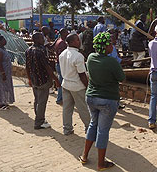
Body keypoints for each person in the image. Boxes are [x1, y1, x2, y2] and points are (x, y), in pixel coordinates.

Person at [80, 32, 125, 171]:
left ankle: (84, 156)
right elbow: (121, 77)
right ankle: (101, 163)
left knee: (93, 125)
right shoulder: (111, 61)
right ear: (105, 47)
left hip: (91, 98)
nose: (112, 46)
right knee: (103, 131)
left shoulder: (91, 58)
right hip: (107, 99)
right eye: (110, 44)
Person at [26, 33, 60, 129]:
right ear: (36, 39)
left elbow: (27, 67)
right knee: (42, 102)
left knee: (37, 100)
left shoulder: (28, 50)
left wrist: (29, 78)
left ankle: (39, 118)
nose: (43, 40)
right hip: (42, 80)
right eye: (41, 38)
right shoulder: (41, 51)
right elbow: (47, 67)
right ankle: (39, 122)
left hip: (34, 80)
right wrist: (56, 80)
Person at [58, 33, 90, 135]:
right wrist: (87, 86)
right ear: (71, 42)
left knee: (67, 109)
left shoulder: (62, 54)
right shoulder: (78, 56)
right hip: (77, 86)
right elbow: (82, 75)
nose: (79, 41)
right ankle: (89, 128)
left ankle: (67, 129)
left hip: (66, 84)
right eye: (77, 40)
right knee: (83, 109)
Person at [0, 36, 15, 110]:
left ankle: (4, 101)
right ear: (0, 41)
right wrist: (3, 73)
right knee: (0, 87)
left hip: (6, 71)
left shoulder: (3, 49)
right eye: (3, 40)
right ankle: (0, 103)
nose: (5, 41)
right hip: (0, 72)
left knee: (5, 86)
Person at [52, 28, 69, 105]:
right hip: (61, 64)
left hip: (58, 63)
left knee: (61, 81)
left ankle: (61, 98)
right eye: (66, 32)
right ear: (64, 33)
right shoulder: (62, 43)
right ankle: (60, 99)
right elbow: (62, 55)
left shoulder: (58, 40)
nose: (68, 33)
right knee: (62, 82)